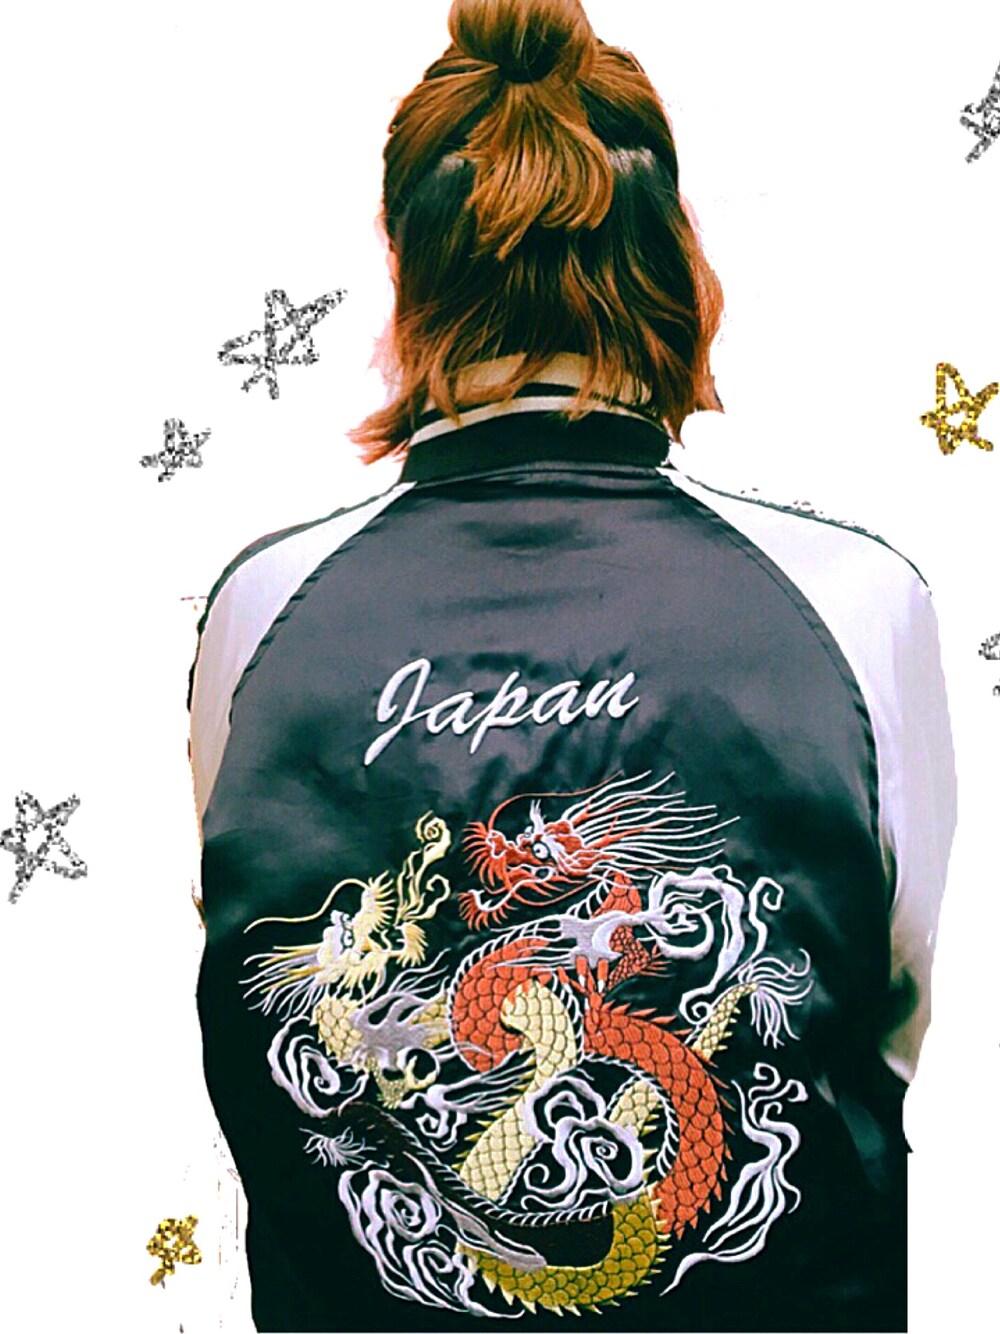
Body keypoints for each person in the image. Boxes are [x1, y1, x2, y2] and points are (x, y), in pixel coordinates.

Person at [187, 2, 957, 1330]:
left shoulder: (260, 614)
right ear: (673, 269)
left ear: (408, 275)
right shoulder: (857, 604)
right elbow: (899, 1033)